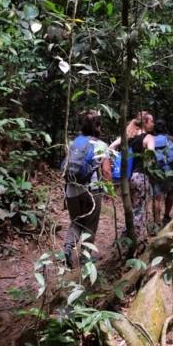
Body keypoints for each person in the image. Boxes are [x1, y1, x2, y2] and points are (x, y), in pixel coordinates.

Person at [63, 110, 111, 269]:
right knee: (90, 223)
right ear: (97, 127)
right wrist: (109, 189)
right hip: (92, 191)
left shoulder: (73, 143)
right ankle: (85, 258)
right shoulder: (101, 145)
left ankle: (68, 248)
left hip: (71, 189)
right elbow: (106, 171)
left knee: (76, 221)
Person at [110, 111, 155, 244]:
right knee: (139, 209)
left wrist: (113, 161)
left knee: (132, 209)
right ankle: (132, 240)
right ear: (145, 122)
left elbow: (111, 146)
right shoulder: (148, 138)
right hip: (141, 176)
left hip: (128, 178)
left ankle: (126, 239)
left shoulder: (128, 137)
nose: (153, 123)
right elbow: (150, 158)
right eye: (151, 121)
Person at [152, 119, 173, 226]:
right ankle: (166, 216)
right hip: (170, 171)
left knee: (157, 197)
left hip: (156, 171)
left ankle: (157, 221)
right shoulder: (171, 139)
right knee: (170, 193)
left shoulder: (152, 139)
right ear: (165, 128)